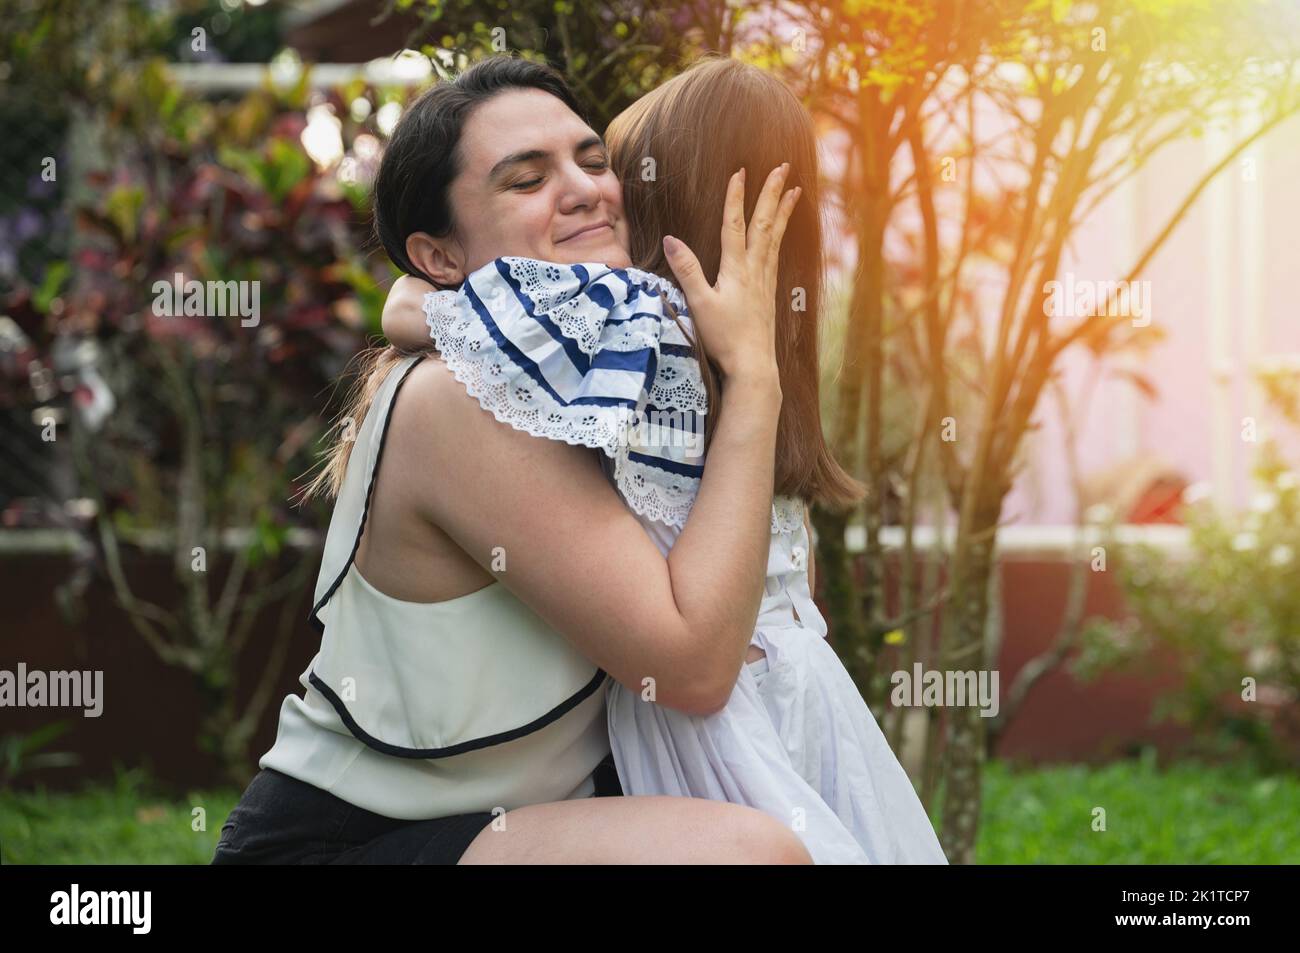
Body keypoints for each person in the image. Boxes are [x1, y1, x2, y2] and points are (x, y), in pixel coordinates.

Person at [211, 54, 810, 865]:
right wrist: (757, 383)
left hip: (520, 824)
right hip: (352, 844)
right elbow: (693, 670)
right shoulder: (451, 403)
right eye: (525, 180)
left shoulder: (614, 358)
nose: (585, 189)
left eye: (594, 161)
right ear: (439, 255)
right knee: (744, 856)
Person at [383, 56, 948, 864]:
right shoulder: (746, 339)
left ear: (657, 202)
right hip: (808, 689)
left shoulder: (637, 323)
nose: (597, 195)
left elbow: (448, 312)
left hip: (712, 719)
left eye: (607, 168)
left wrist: (411, 295)